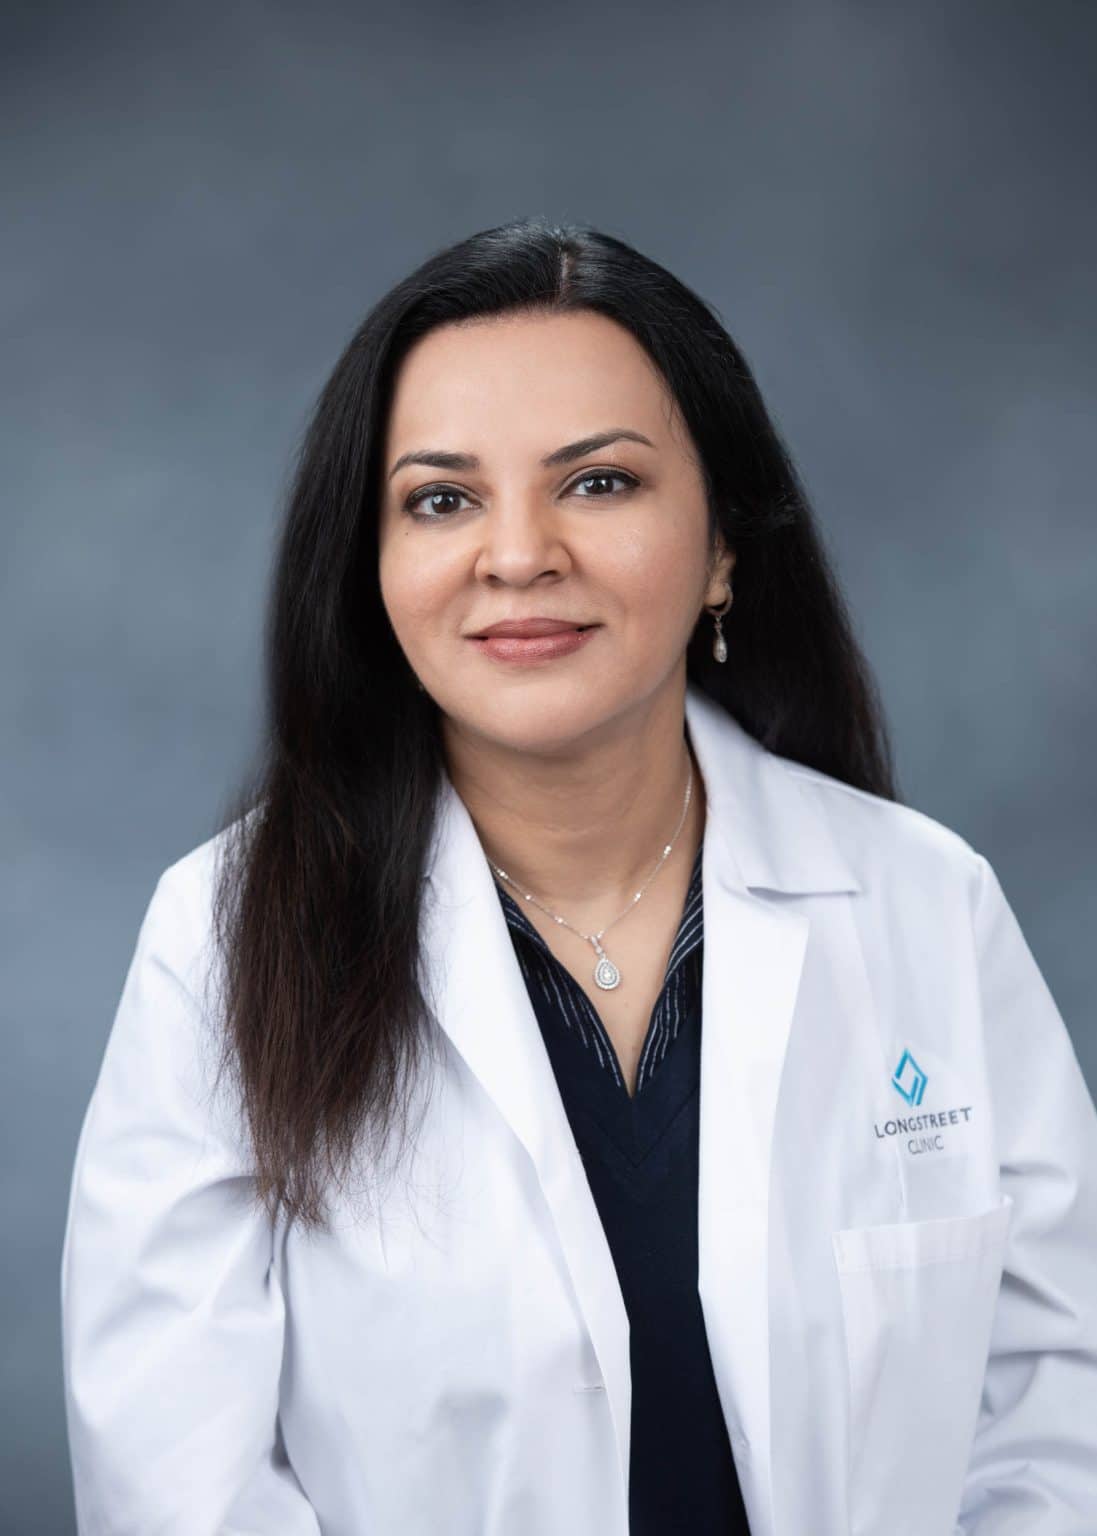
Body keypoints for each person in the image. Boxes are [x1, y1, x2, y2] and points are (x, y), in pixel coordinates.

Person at [61, 218, 1097, 1536]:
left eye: (598, 483)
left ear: (723, 547)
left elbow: (1057, 1417)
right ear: (371, 566)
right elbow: (177, 1486)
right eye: (442, 499)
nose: (516, 555)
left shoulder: (925, 907)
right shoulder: (222, 940)